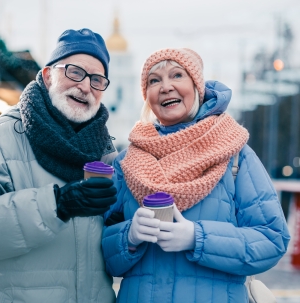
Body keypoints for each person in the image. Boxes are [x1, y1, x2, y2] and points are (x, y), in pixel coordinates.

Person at [102, 48, 290, 303]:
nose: (165, 87)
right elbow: (95, 249)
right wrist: (128, 237)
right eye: (154, 80)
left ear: (197, 86)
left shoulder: (234, 155)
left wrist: (197, 237)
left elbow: (272, 239)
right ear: (147, 96)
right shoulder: (127, 163)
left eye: (177, 75)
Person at [0, 28, 118, 303]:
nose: (86, 86)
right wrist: (57, 204)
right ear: (48, 75)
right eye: (75, 72)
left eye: (97, 80)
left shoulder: (106, 153)